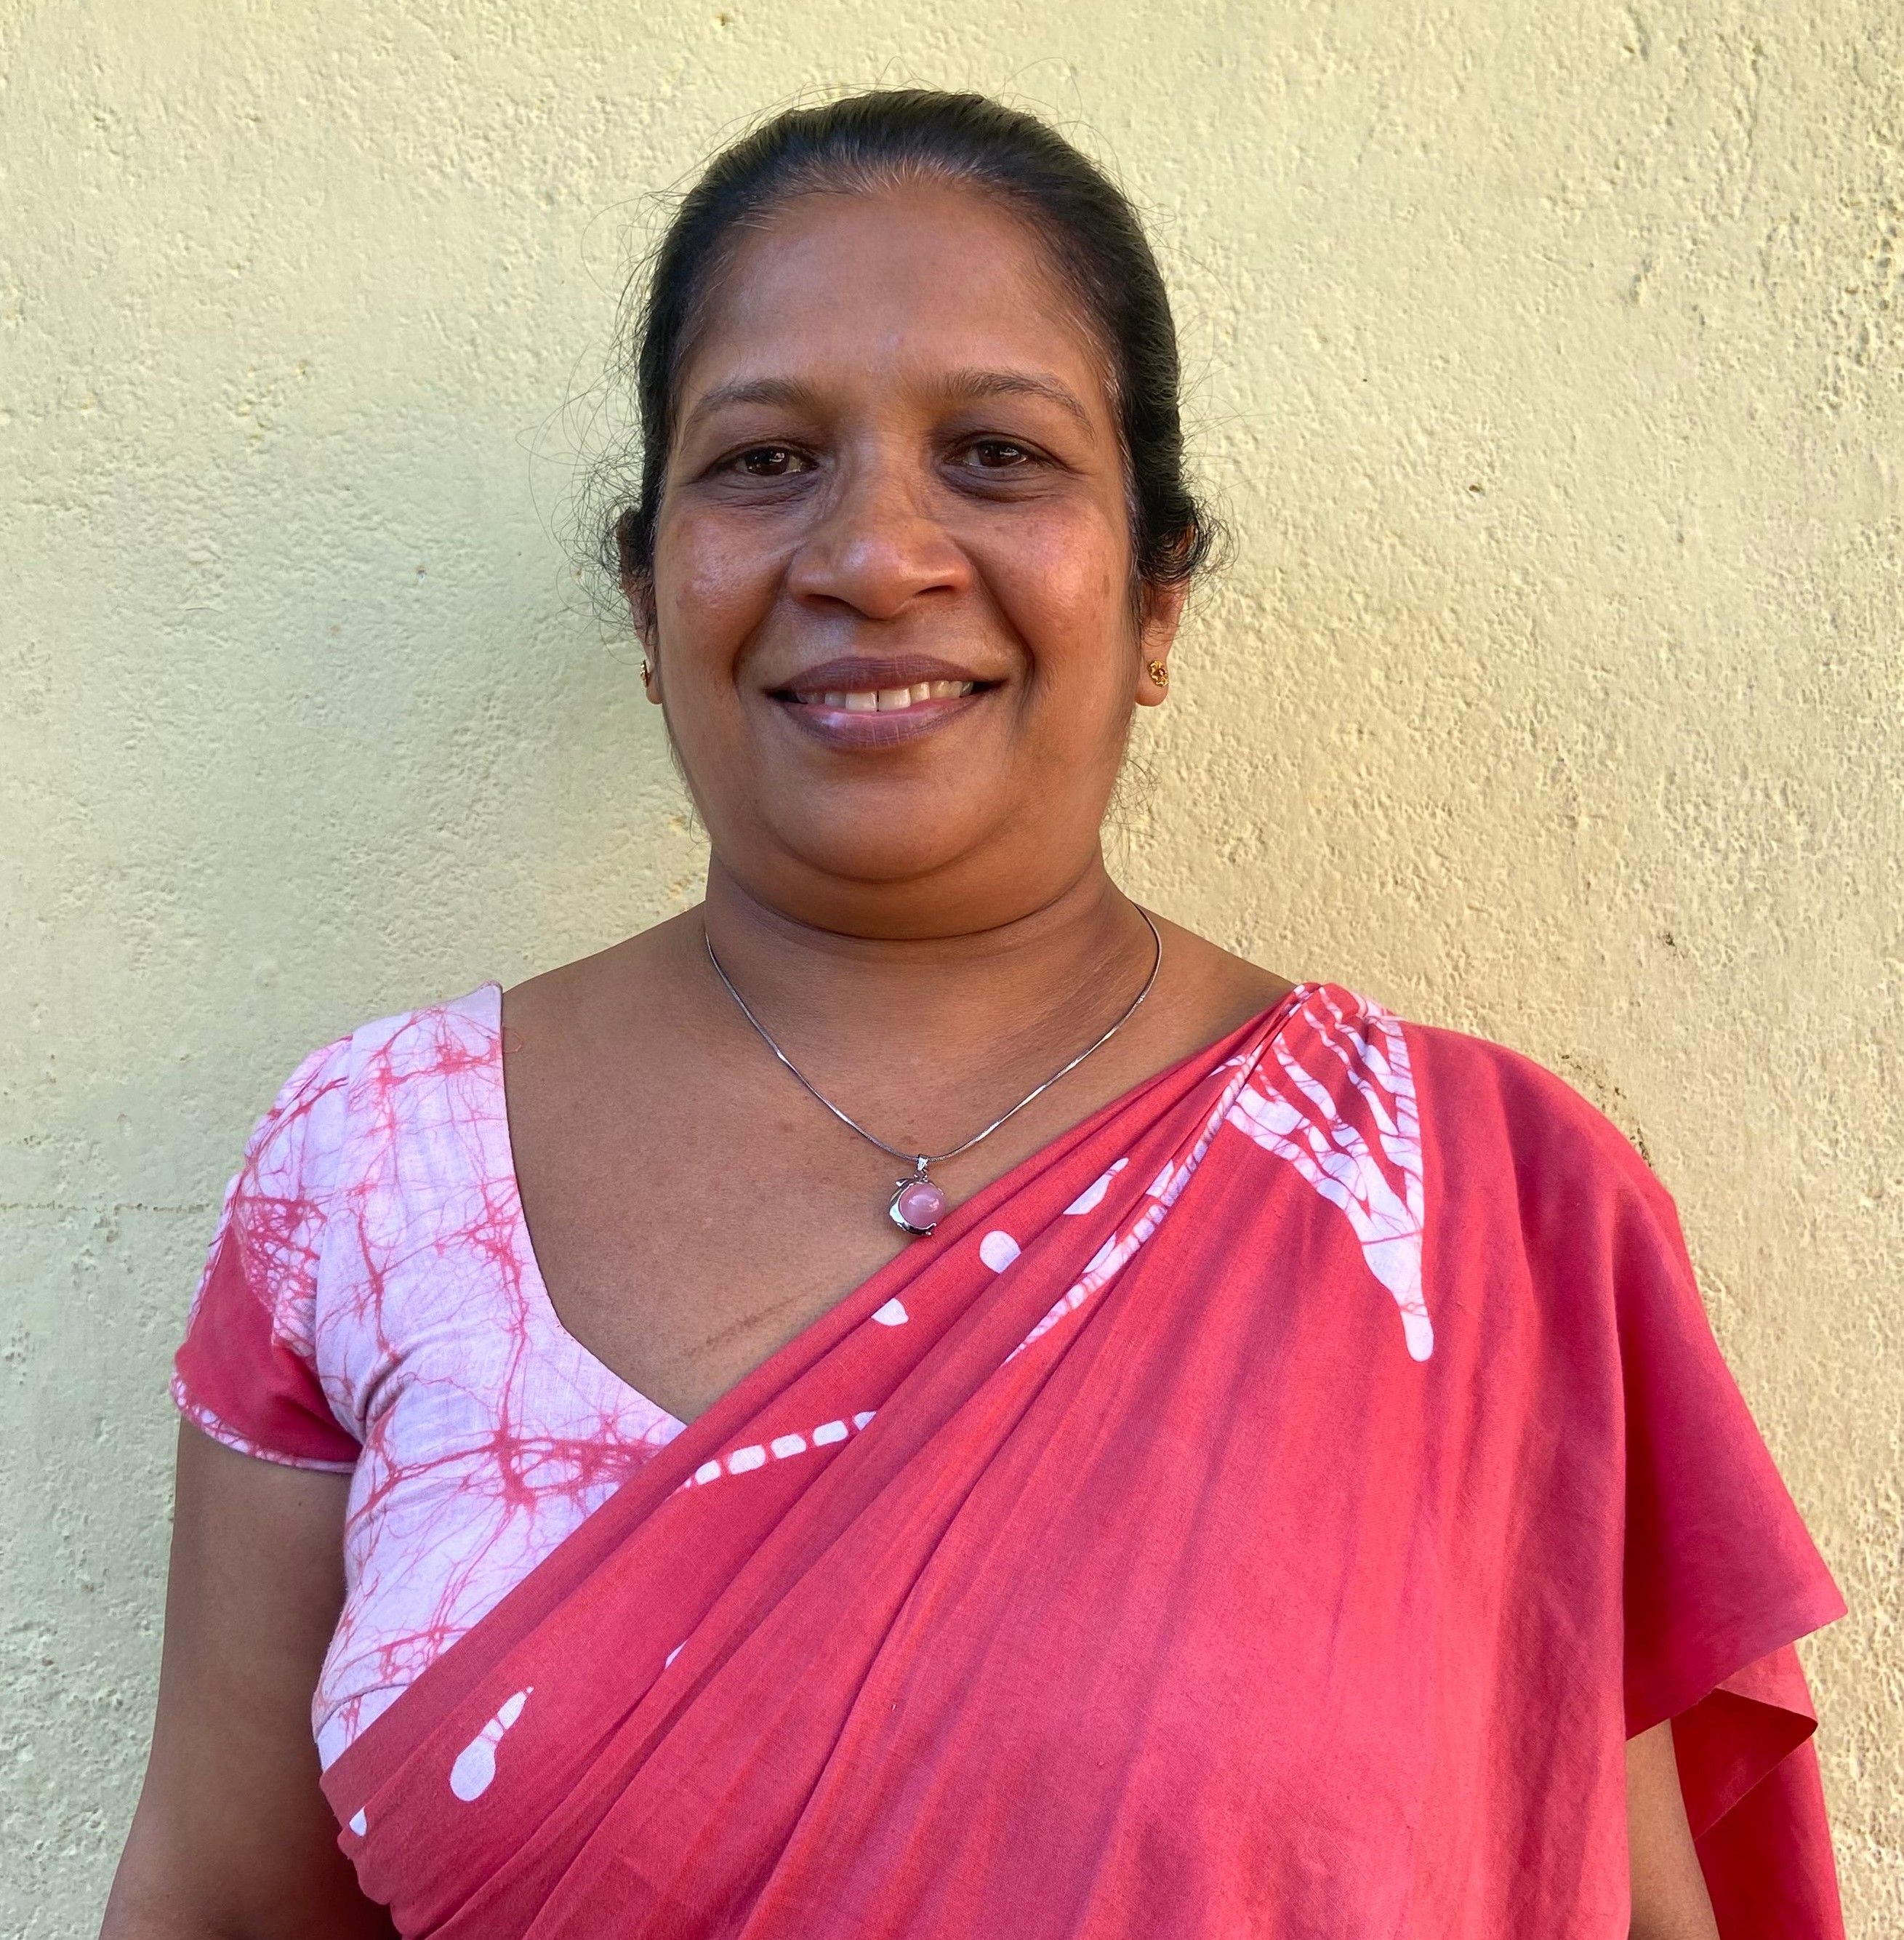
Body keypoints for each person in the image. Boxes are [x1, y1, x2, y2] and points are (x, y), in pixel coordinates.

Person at [102, 89, 1845, 1940]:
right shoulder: (372, 1167)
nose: (874, 555)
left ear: (1155, 594)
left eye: (998, 456)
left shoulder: (1479, 1206)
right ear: (645, 593)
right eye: (764, 460)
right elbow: (222, 1905)